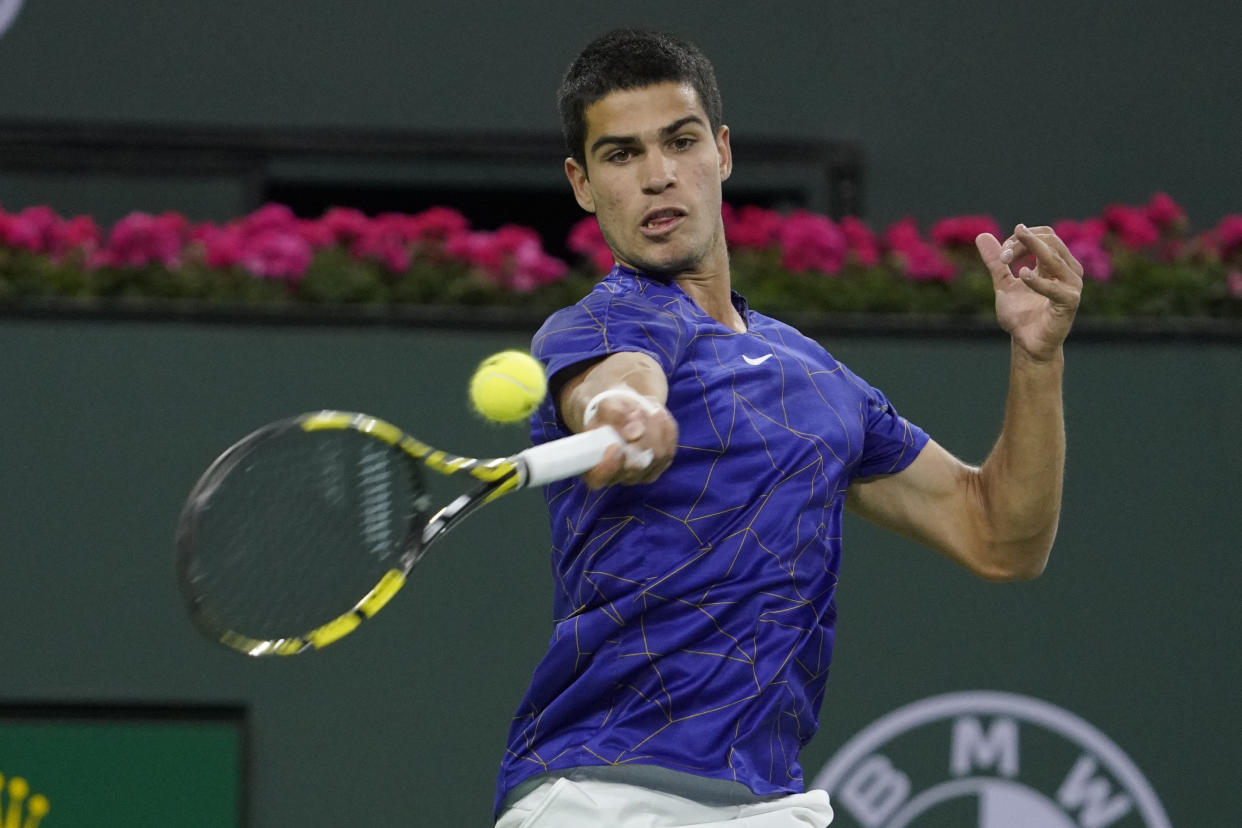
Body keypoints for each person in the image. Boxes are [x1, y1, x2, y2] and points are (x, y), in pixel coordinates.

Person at [494, 28, 1081, 828]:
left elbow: (1000, 538)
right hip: (602, 794)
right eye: (622, 155)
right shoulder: (599, 325)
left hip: (770, 802)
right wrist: (621, 412)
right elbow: (621, 377)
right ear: (583, 183)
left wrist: (1037, 359)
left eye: (681, 141)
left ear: (723, 152)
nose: (659, 175)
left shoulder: (820, 382)